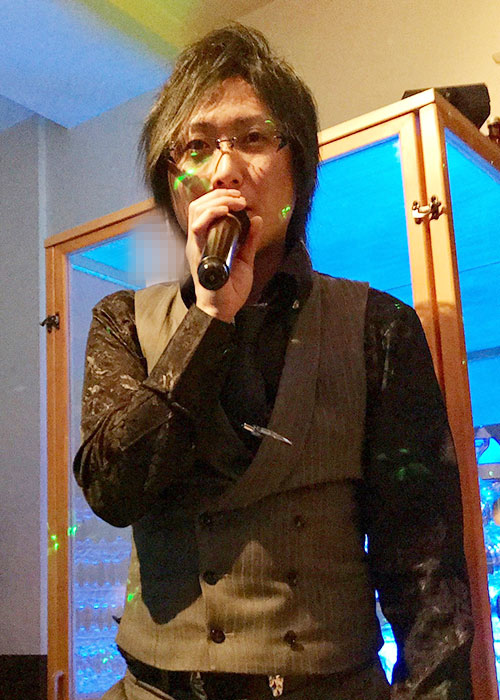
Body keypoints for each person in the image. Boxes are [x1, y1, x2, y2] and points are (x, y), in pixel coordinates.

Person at [74, 24, 474, 700]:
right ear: (172, 183)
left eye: (253, 138)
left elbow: (425, 567)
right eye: (195, 146)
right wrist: (209, 318)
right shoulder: (122, 320)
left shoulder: (377, 327)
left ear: (300, 167)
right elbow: (112, 489)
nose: (223, 170)